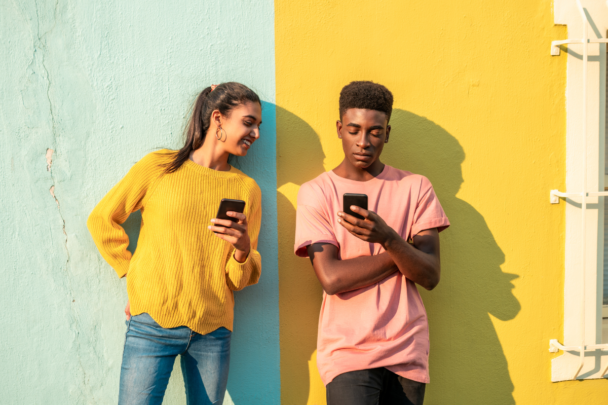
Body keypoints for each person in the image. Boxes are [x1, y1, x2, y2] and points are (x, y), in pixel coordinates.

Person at [87, 82, 263, 405]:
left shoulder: (247, 190)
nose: (256, 134)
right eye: (248, 123)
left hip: (213, 332)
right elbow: (101, 219)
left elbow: (238, 279)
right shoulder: (159, 167)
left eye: (258, 126)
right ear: (218, 119)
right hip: (151, 323)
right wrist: (131, 274)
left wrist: (241, 248)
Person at [294, 81, 450, 405]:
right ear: (339, 129)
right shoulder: (316, 192)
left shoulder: (416, 187)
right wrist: (401, 248)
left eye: (375, 132)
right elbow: (332, 278)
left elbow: (430, 275)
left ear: (388, 133)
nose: (363, 142)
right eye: (354, 130)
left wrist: (389, 238)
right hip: (347, 352)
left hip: (407, 349)